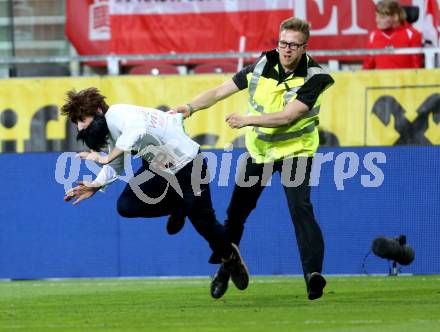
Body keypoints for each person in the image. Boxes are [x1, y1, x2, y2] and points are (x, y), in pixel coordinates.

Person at [174, 17, 334, 300]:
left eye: (293, 45)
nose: (286, 50)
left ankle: (313, 276)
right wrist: (189, 107)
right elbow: (219, 91)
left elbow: (289, 116)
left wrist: (247, 120)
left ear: (304, 48)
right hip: (259, 153)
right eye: (282, 43)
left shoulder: (315, 77)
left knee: (301, 208)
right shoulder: (262, 65)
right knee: (236, 214)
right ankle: (226, 268)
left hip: (296, 152)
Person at [60, 87, 249, 295]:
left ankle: (230, 259)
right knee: (126, 206)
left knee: (205, 225)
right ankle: (179, 206)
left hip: (189, 166)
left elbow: (137, 131)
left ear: (97, 110)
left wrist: (103, 158)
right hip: (158, 168)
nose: (80, 128)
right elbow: (117, 164)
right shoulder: (112, 127)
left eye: (81, 120)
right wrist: (96, 185)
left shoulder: (119, 114)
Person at [363, 0, 423, 70]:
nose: (377, 20)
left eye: (382, 17)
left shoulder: (413, 34)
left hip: (405, 80)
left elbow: (416, 66)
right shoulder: (373, 35)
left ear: (395, 17)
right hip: (381, 80)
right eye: (376, 16)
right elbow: (367, 66)